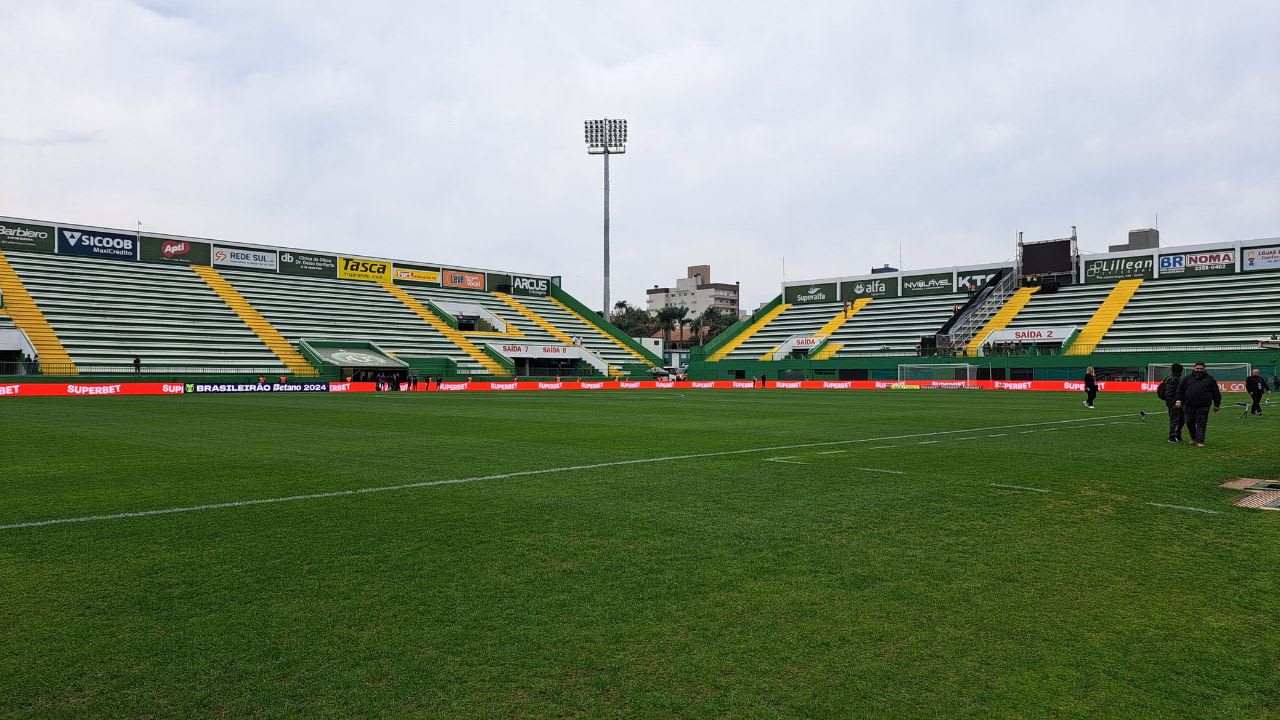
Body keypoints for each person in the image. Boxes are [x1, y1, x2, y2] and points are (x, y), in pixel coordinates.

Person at [1175, 361, 1222, 448]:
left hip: (1203, 406)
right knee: (1189, 422)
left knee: (1201, 423)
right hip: (1188, 405)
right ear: (1194, 368)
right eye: (1197, 368)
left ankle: (1200, 441)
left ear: (1205, 369)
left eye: (1201, 369)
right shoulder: (1187, 378)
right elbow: (1180, 390)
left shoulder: (1210, 379)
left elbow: (1216, 393)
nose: (1199, 370)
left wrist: (1217, 404)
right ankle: (1193, 438)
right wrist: (1178, 400)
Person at [1156, 363, 1185, 443]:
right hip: (1174, 403)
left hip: (1180, 402)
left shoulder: (1176, 378)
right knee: (1175, 420)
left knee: (1182, 419)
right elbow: (1169, 393)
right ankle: (1171, 436)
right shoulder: (1171, 379)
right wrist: (1173, 403)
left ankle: (1177, 434)